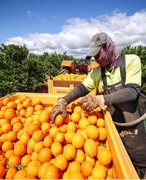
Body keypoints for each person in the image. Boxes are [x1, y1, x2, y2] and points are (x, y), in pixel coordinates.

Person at [50, 32, 146, 179]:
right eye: (94, 56)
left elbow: (132, 91)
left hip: (134, 125)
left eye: (98, 54)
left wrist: (101, 100)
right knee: (119, 163)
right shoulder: (97, 72)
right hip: (113, 126)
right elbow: (81, 88)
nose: (96, 59)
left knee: (140, 160)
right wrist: (64, 100)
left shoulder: (131, 61)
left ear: (109, 47)